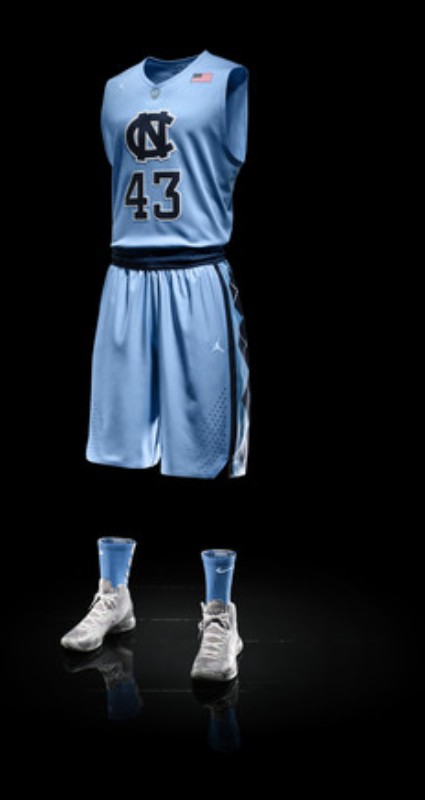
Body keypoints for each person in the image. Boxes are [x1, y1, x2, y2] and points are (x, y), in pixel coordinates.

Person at [61, 50, 250, 683]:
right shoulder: (115, 88)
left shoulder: (227, 79)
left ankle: (220, 617)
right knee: (114, 454)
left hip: (196, 275)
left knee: (209, 461)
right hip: (125, 279)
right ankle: (114, 595)